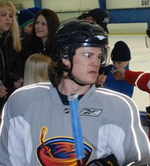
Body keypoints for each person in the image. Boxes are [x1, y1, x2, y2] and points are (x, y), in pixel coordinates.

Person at [0, 19, 150, 166]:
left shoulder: (118, 107)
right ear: (65, 56)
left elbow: (141, 161)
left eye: (99, 56)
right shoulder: (21, 102)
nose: (96, 63)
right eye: (88, 55)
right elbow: (7, 161)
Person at [0, 1, 23, 115]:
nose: (8, 19)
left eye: (10, 16)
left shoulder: (11, 41)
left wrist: (16, 79)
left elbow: (16, 66)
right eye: (3, 15)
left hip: (7, 97)